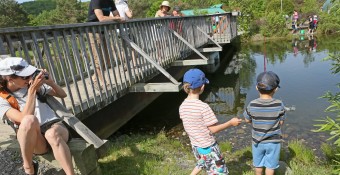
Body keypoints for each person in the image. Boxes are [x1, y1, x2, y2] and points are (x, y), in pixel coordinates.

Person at [0, 57, 75, 175]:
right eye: (24, 76)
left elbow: (62, 94)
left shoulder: (33, 84)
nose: (29, 78)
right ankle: (29, 167)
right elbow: (23, 119)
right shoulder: (2, 98)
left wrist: (50, 82)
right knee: (29, 120)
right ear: (10, 79)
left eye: (30, 74)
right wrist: (32, 91)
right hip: (33, 137)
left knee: (52, 134)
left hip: (54, 127)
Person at [179, 68, 242, 175]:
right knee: (220, 172)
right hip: (208, 147)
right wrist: (230, 123)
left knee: (202, 161)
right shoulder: (203, 107)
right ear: (202, 87)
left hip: (196, 146)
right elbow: (213, 129)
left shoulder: (182, 106)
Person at [243, 71, 286, 175]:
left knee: (258, 165)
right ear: (275, 89)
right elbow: (281, 122)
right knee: (270, 166)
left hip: (257, 141)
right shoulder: (279, 104)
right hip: (273, 142)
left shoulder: (252, 104)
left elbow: (247, 120)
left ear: (257, 88)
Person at [87, 0, 123, 90]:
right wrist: (116, 18)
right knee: (98, 60)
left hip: (103, 31)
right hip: (94, 32)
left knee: (107, 60)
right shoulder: (96, 1)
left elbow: (117, 15)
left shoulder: (110, 1)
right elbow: (101, 18)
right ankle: (104, 83)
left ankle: (94, 78)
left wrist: (116, 17)